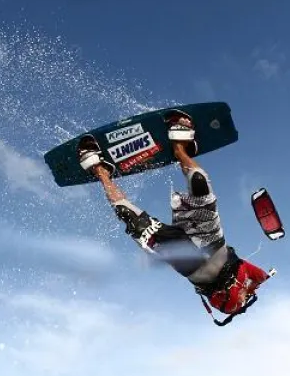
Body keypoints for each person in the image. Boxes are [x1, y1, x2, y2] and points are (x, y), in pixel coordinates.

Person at [78, 110, 273, 324]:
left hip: (188, 258)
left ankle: (100, 171)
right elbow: (261, 277)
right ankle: (179, 148)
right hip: (208, 241)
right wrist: (259, 282)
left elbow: (230, 303)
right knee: (200, 186)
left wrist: (251, 290)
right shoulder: (253, 277)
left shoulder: (232, 307)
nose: (246, 298)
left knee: (131, 219)